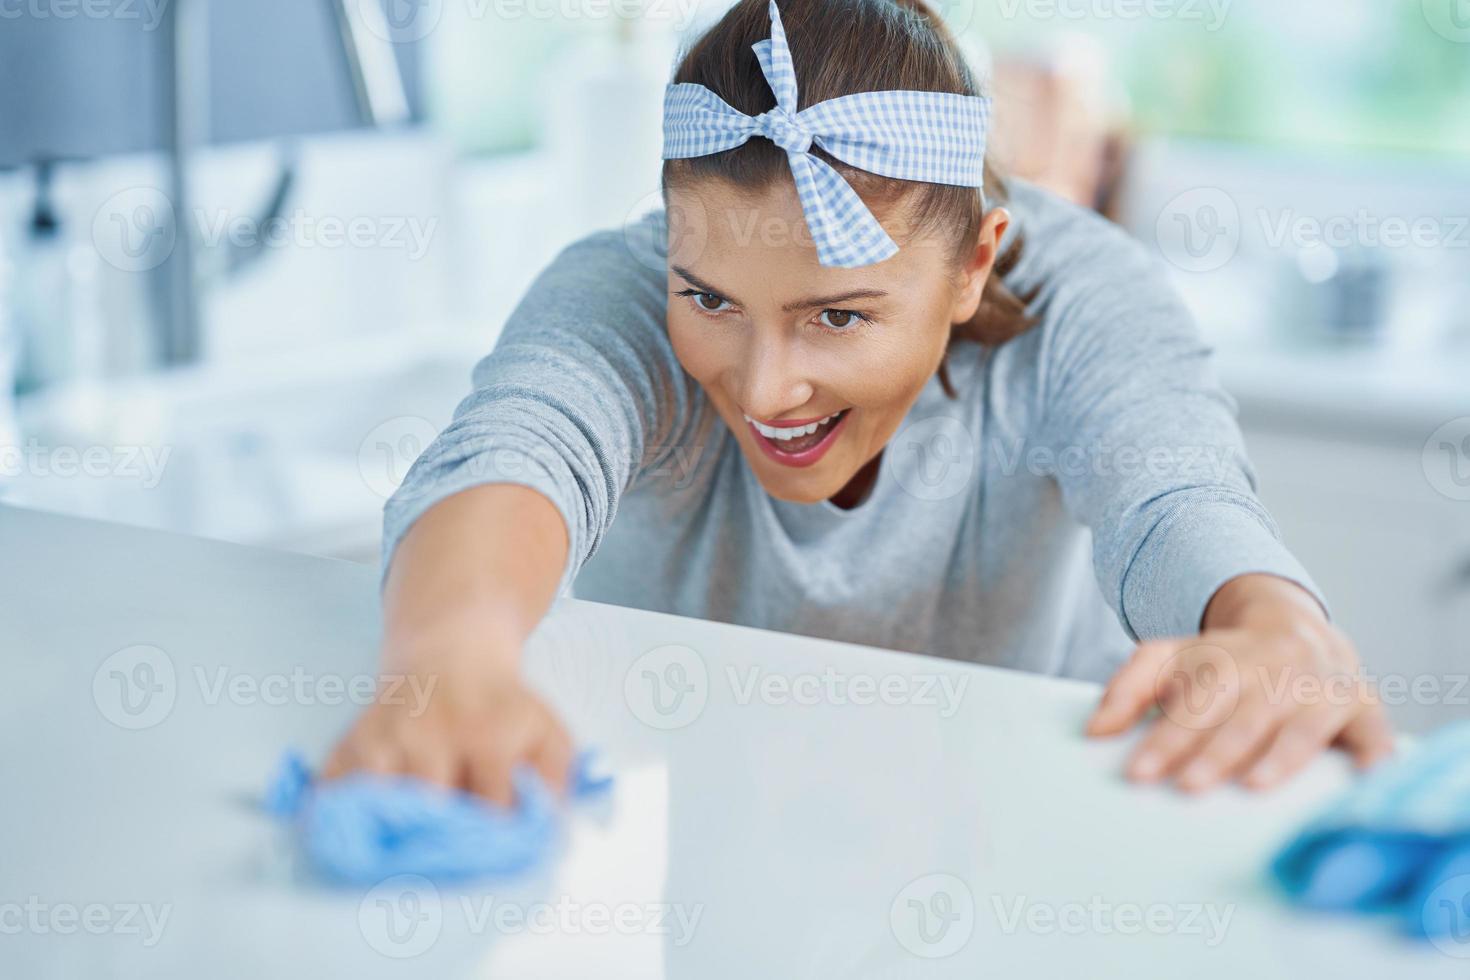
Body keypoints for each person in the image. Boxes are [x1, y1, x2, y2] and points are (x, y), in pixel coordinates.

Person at [324, 0, 1392, 805]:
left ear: (975, 262)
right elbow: (519, 446)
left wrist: (1275, 624)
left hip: (1033, 822)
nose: (762, 384)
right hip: (712, 829)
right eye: (710, 296)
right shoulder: (617, 289)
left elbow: (1174, 492)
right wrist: (448, 654)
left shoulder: (1081, 295)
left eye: (837, 315)